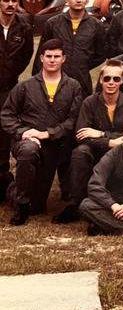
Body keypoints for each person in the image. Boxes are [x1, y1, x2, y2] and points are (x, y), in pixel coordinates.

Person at [1, 38, 83, 225]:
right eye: (48, 56)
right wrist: (24, 132)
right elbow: (7, 115)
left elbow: (73, 120)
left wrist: (49, 134)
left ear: (64, 58)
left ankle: (12, 188)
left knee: (38, 206)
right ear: (41, 58)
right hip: (27, 141)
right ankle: (21, 203)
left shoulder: (73, 87)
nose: (52, 60)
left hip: (54, 144)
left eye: (56, 56)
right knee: (29, 150)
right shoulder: (25, 86)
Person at [53, 60, 123, 223]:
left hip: (122, 150)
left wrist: (101, 134)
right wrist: (108, 142)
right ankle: (74, 204)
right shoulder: (89, 102)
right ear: (100, 79)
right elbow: (81, 134)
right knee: (80, 152)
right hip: (96, 150)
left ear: (122, 80)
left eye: (116, 79)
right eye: (107, 78)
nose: (111, 83)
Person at [34, 0, 105, 96]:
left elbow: (100, 54)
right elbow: (41, 54)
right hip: (55, 80)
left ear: (87, 0)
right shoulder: (52, 23)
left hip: (82, 81)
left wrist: (82, 64)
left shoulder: (96, 26)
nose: (78, 0)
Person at [0, 0, 33, 199]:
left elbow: (26, 55)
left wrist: (10, 74)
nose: (11, 5)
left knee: (4, 134)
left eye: (14, 1)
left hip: (9, 88)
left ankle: (2, 178)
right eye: (6, 1)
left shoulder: (24, 27)